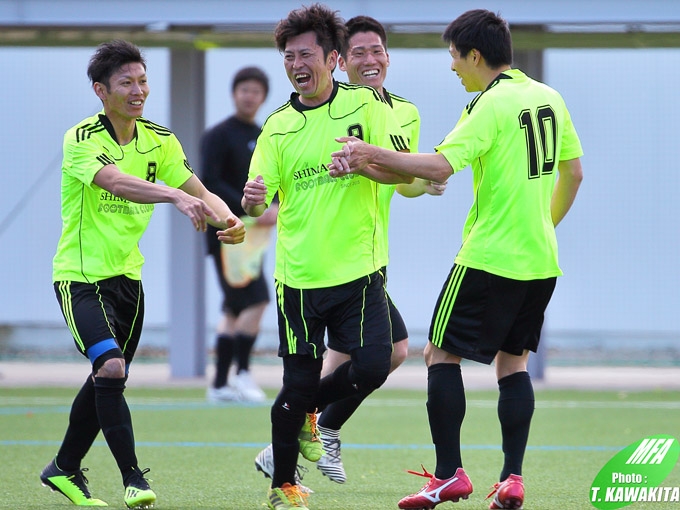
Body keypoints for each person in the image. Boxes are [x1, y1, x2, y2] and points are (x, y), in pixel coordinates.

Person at [329, 9, 583, 510]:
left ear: (475, 55)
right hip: (540, 260)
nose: (452, 67)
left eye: (454, 57)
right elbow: (572, 173)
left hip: (489, 256)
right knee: (513, 364)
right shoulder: (548, 97)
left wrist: (367, 153)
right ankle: (511, 479)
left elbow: (439, 166)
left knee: (439, 355)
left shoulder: (488, 105)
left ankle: (448, 476)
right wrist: (543, 226)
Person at [41, 39, 245, 509]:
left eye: (143, 81)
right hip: (80, 278)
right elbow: (115, 181)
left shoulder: (160, 140)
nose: (139, 91)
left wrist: (230, 220)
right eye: (126, 83)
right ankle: (133, 479)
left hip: (128, 282)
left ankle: (63, 468)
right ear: (101, 90)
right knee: (111, 367)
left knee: (108, 377)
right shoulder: (81, 138)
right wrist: (172, 195)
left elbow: (201, 191)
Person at [242, 4, 411, 509]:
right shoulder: (277, 126)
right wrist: (251, 200)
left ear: (332, 59)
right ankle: (283, 485)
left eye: (306, 55)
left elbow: (401, 173)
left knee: (375, 366)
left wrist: (364, 163)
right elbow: (256, 202)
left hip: (359, 270)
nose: (297, 64)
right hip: (298, 277)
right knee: (297, 381)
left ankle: (302, 412)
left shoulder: (366, 105)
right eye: (289, 57)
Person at [314, 15, 447, 484]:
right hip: (332, 251)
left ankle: (307, 433)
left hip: (371, 253)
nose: (370, 60)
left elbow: (401, 180)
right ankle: (302, 432)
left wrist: (424, 182)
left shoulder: (404, 111)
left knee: (378, 352)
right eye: (359, 53)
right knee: (383, 349)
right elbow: (332, 169)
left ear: (388, 56)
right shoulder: (327, 109)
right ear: (340, 61)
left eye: (377, 51)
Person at [202, 66, 278, 403]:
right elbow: (210, 182)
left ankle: (220, 385)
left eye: (255, 91)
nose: (249, 96)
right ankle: (243, 373)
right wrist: (246, 209)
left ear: (263, 97)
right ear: (234, 93)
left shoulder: (264, 136)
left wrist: (274, 207)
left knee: (234, 308)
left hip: (253, 239)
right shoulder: (217, 135)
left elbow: (273, 180)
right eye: (244, 90)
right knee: (256, 299)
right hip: (225, 233)